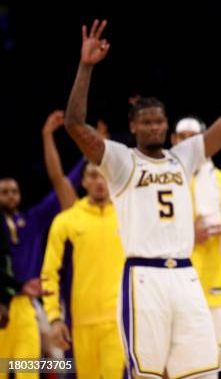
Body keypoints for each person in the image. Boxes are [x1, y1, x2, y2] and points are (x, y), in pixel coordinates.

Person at [64, 17, 221, 378]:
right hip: (143, 277)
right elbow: (75, 125)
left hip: (187, 278)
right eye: (147, 122)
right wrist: (85, 66)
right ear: (134, 126)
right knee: (148, 373)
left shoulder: (184, 157)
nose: (155, 126)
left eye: (160, 121)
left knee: (203, 371)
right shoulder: (120, 161)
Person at [0, 110, 83, 378]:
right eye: (4, 192)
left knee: (59, 361)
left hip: (35, 303)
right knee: (4, 367)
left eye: (14, 191)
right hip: (9, 301)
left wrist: (88, 157)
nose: (11, 196)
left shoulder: (32, 220)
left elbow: (63, 184)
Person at [172, 117, 221, 351]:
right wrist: (189, 235)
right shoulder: (164, 181)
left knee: (210, 361)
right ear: (174, 140)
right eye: (182, 138)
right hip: (172, 284)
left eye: (193, 138)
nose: (187, 144)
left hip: (213, 286)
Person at [41, 162, 125, 378]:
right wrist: (54, 317)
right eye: (93, 175)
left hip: (119, 321)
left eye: (105, 175)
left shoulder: (128, 217)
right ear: (84, 181)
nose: (99, 181)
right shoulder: (66, 221)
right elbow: (50, 273)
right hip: (80, 323)